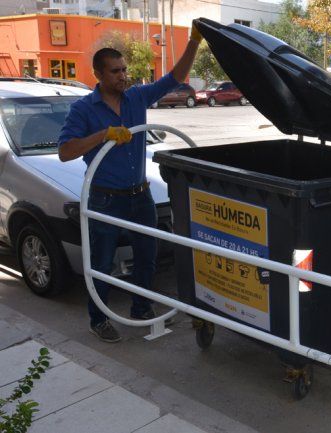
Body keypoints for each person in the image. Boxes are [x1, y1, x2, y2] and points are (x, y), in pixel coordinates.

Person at [58, 23, 203, 342]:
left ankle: (140, 309)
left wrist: (193, 42)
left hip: (140, 195)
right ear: (98, 74)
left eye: (124, 70)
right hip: (105, 198)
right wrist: (102, 136)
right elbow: (65, 152)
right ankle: (99, 318)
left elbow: (175, 78)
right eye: (115, 72)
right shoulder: (83, 109)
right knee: (102, 261)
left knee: (147, 256)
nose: (123, 76)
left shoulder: (137, 97)